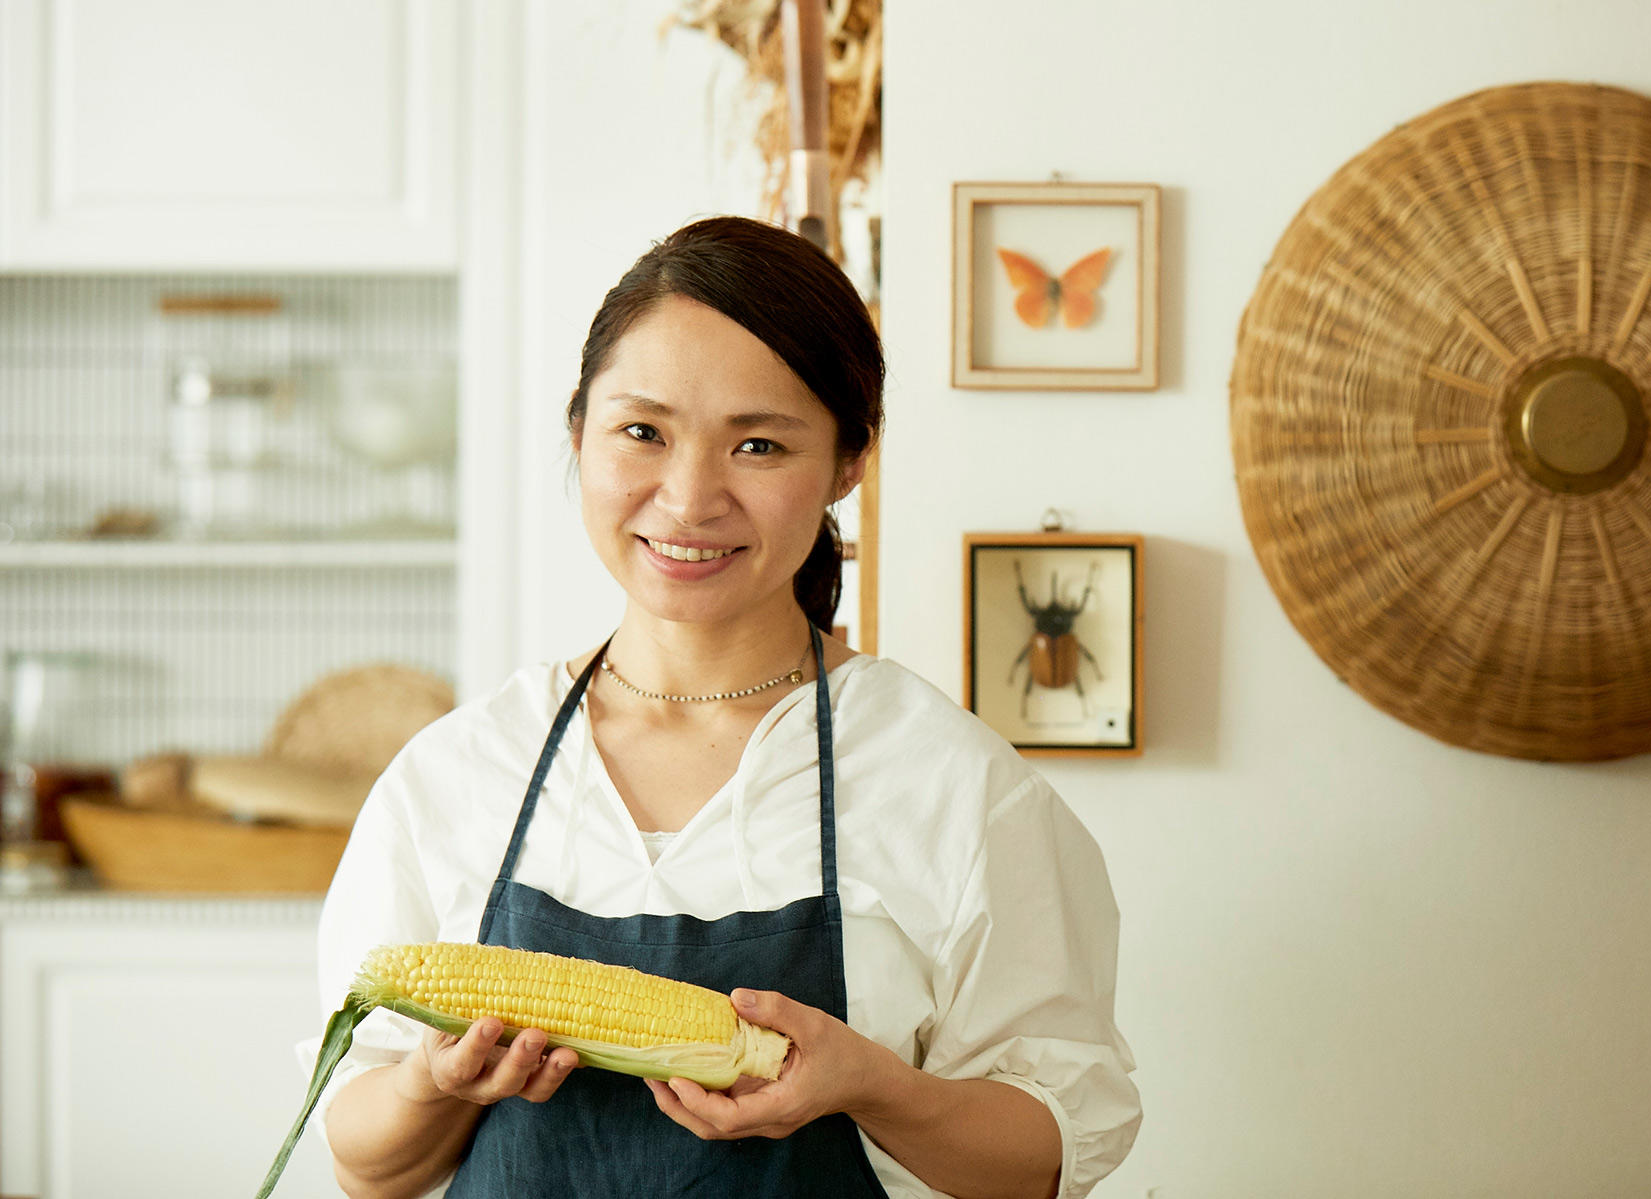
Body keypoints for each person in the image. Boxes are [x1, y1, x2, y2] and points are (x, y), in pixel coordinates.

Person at [307, 215, 1140, 1198]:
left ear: (848, 462)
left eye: (757, 443)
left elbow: (1047, 1157)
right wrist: (433, 1084)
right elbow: (367, 1163)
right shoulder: (458, 774)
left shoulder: (953, 786)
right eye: (642, 431)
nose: (690, 498)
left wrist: (873, 1087)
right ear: (578, 430)